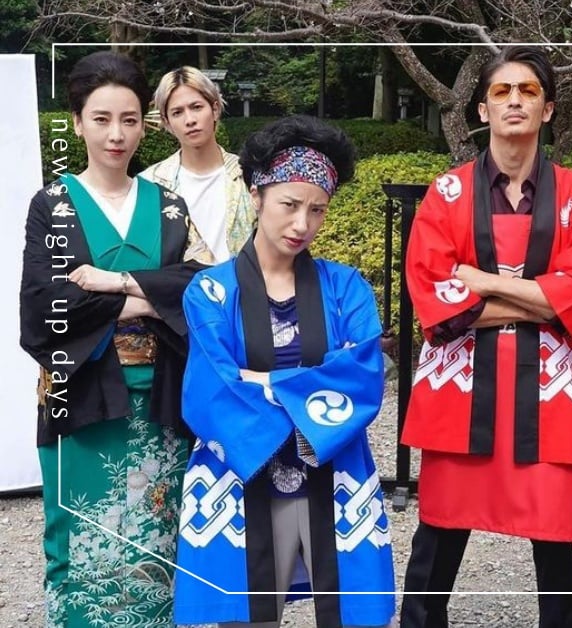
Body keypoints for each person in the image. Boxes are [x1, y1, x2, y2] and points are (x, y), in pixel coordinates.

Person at [399, 45, 572, 628]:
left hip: (549, 393)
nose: (515, 101)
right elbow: (435, 301)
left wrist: (484, 282)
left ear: (548, 109)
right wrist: (540, 297)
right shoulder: (446, 194)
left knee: (555, 544)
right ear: (483, 109)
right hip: (461, 390)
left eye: (528, 91)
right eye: (502, 91)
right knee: (437, 535)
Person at [172, 115, 396, 627]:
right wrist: (311, 386)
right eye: (289, 205)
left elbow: (362, 376)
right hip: (240, 469)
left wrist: (265, 382)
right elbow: (211, 389)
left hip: (333, 468)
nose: (302, 225)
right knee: (248, 617)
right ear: (256, 195)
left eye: (317, 210)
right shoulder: (210, 291)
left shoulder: (346, 287)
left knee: (349, 615)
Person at [18, 50, 213, 627]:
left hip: (161, 396)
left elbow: (203, 288)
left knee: (157, 537)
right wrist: (148, 297)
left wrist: (117, 282)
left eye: (129, 120)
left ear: (144, 125)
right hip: (81, 391)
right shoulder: (52, 205)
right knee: (80, 538)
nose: (116, 135)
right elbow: (45, 305)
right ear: (77, 123)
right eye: (101, 119)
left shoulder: (169, 206)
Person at [141, 66, 255, 262]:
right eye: (177, 112)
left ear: (215, 110)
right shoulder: (151, 184)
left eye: (196, 107)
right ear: (166, 122)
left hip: (245, 280)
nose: (190, 120)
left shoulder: (249, 174)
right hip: (179, 281)